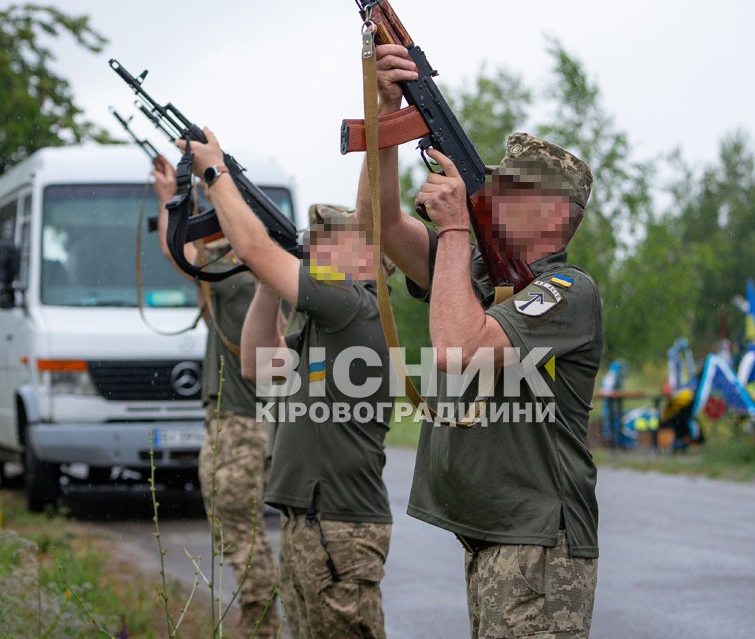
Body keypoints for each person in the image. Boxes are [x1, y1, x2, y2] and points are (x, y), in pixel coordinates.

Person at [356, 44, 603, 638]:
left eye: (506, 189)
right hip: (497, 536)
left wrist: (452, 228)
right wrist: (384, 115)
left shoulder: (568, 291)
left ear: (551, 215)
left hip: (540, 542)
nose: (484, 196)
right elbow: (380, 223)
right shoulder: (478, 272)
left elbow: (458, 353)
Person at [174, 130, 395, 639]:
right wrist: (268, 282)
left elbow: (250, 246)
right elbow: (256, 362)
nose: (310, 252)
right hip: (310, 522)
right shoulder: (322, 327)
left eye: (323, 244)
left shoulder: (353, 308)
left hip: (340, 527)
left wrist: (215, 174)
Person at [151, 156, 278, 638]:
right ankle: (261, 614)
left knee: (239, 529)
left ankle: (261, 622)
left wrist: (175, 197)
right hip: (247, 419)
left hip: (240, 421)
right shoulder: (251, 271)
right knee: (242, 527)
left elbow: (178, 249)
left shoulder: (238, 274)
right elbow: (191, 246)